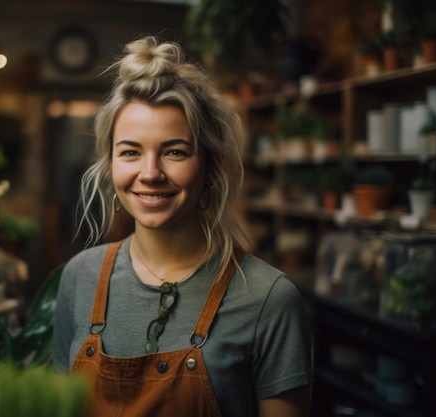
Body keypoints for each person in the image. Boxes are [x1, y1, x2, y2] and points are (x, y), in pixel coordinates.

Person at [53, 35, 313, 417]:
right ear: (110, 164)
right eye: (130, 152)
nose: (150, 173)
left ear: (210, 165)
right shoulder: (80, 276)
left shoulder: (268, 300)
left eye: (174, 151)